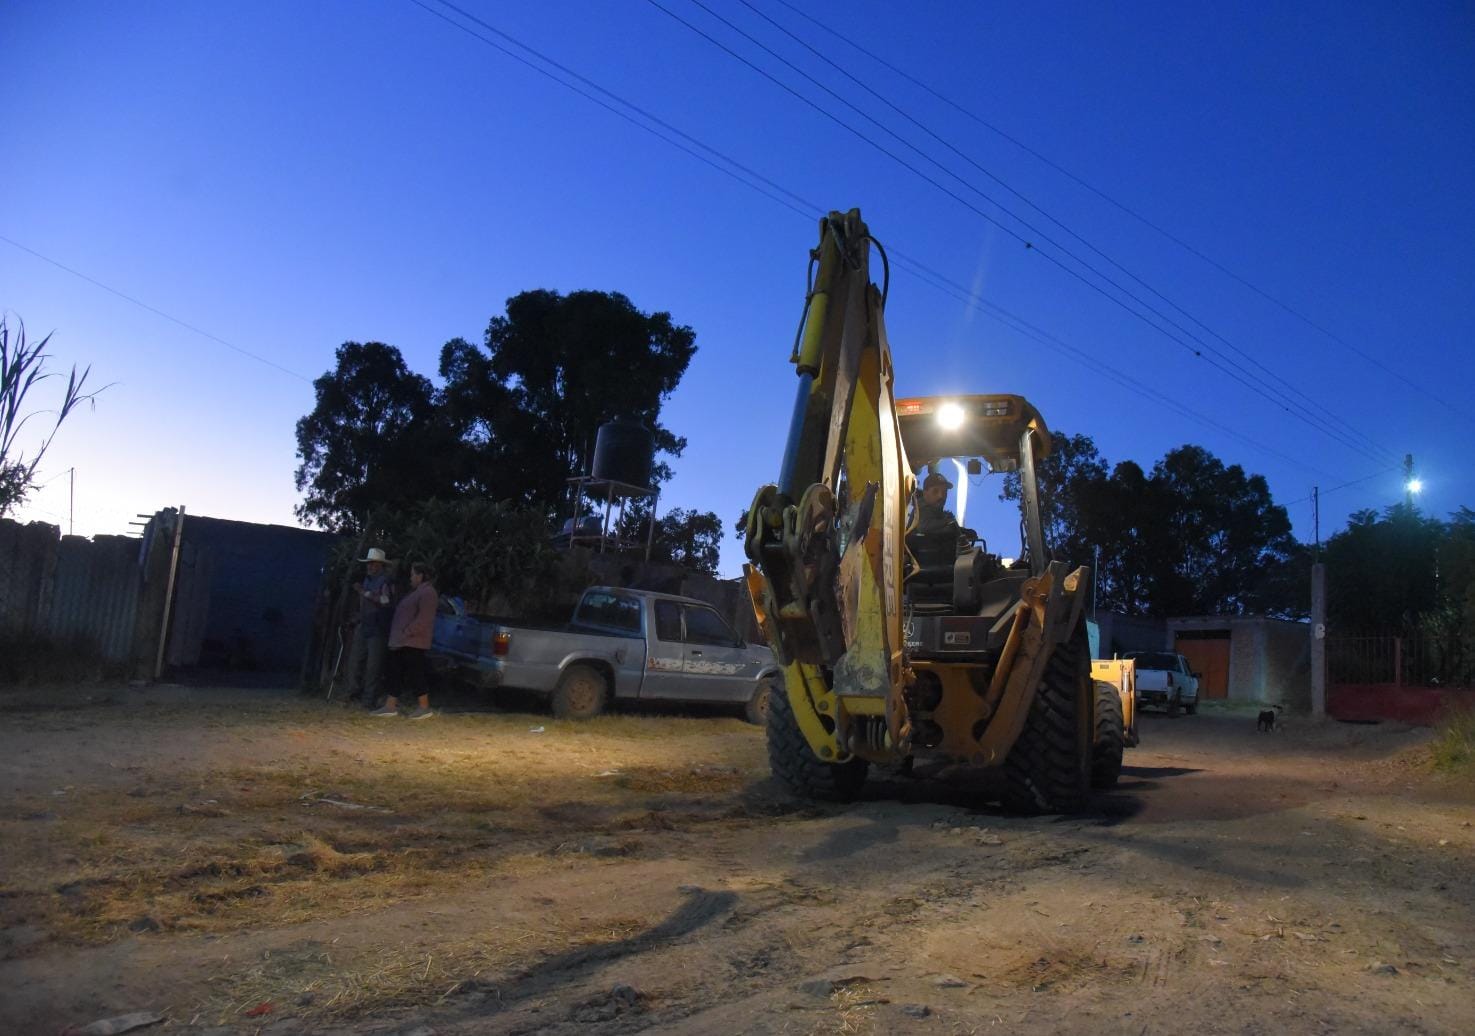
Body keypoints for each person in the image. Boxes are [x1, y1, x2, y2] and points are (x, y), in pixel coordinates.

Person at [375, 561, 438, 719]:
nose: (410, 578)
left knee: (415, 673)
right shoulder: (417, 592)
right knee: (395, 672)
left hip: (413, 641)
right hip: (403, 641)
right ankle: (390, 705)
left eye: (412, 574)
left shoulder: (428, 593)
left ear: (420, 576)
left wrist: (407, 631)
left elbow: (424, 618)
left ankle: (424, 707)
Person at [341, 547, 393, 708]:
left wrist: (365, 593)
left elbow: (386, 601)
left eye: (373, 564)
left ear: (380, 566)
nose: (369, 567)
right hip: (364, 625)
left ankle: (368, 700)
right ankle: (354, 694)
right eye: (369, 564)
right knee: (355, 662)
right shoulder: (368, 580)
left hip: (377, 628)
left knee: (373, 667)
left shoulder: (385, 582)